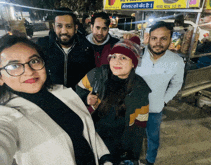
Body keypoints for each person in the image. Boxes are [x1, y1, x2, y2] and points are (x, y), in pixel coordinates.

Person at [0, 34, 111, 165]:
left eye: (34, 61)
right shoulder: (7, 114)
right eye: (14, 66)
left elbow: (84, 131)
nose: (29, 71)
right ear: (1, 78)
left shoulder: (61, 92)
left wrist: (105, 158)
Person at [76, 36, 151, 164]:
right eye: (114, 56)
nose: (116, 62)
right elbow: (79, 90)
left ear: (133, 63)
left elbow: (140, 125)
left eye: (123, 58)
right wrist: (86, 98)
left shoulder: (140, 89)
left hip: (119, 142)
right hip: (94, 135)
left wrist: (133, 156)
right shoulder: (97, 75)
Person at [136, 21, 185, 165]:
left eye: (163, 38)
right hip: (134, 106)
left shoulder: (176, 61)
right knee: (133, 135)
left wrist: (164, 100)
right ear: (148, 38)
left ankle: (149, 161)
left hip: (155, 109)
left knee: (153, 137)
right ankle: (132, 159)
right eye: (154, 38)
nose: (158, 42)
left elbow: (176, 84)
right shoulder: (137, 55)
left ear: (170, 39)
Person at [36, 7, 95, 90]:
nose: (64, 31)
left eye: (69, 26)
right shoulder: (42, 46)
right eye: (59, 26)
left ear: (76, 28)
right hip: (51, 98)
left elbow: (91, 78)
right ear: (54, 27)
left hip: (78, 99)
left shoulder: (86, 49)